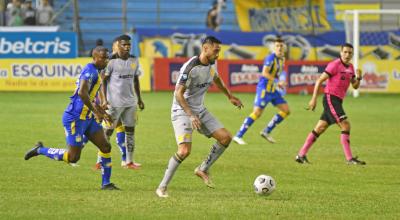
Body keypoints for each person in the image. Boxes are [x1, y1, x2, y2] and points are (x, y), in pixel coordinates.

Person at [155, 36, 243, 198]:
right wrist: (191, 115)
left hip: (200, 110)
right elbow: (178, 94)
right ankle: (162, 187)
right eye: (216, 51)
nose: (218, 55)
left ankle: (202, 168)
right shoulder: (190, 68)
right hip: (182, 110)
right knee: (184, 151)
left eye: (219, 51)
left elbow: (217, 79)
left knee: (225, 138)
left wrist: (230, 96)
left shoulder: (211, 64)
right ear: (205, 48)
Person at [24, 46, 120, 190]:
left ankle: (106, 183)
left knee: (105, 146)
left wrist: (101, 112)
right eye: (102, 58)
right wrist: (96, 112)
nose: (105, 60)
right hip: (75, 118)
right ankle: (40, 150)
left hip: (88, 118)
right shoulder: (90, 71)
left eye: (107, 58)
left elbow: (90, 96)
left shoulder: (98, 71)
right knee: (73, 157)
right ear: (94, 57)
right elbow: (82, 93)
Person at [295, 43, 366, 165]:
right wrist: (313, 99)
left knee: (320, 128)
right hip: (330, 98)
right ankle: (349, 159)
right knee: (346, 125)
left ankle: (300, 155)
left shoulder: (351, 68)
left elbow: (354, 86)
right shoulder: (334, 65)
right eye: (345, 52)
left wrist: (359, 78)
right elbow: (319, 81)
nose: (347, 54)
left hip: (338, 101)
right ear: (340, 52)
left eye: (350, 53)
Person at [233, 38, 290, 145]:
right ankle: (238, 135)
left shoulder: (282, 59)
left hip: (273, 90)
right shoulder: (270, 58)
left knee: (286, 110)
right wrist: (277, 82)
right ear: (273, 48)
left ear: (284, 48)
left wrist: (279, 82)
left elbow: (276, 74)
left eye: (281, 46)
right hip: (264, 89)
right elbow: (264, 73)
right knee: (257, 113)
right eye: (277, 46)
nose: (279, 48)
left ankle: (266, 131)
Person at [101, 34, 145, 170]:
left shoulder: (134, 60)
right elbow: (103, 81)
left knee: (130, 131)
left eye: (128, 45)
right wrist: (104, 100)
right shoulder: (111, 61)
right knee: (107, 132)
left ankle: (129, 161)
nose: (127, 47)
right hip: (113, 103)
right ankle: (100, 160)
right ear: (117, 46)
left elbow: (136, 80)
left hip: (130, 103)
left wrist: (139, 99)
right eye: (124, 45)